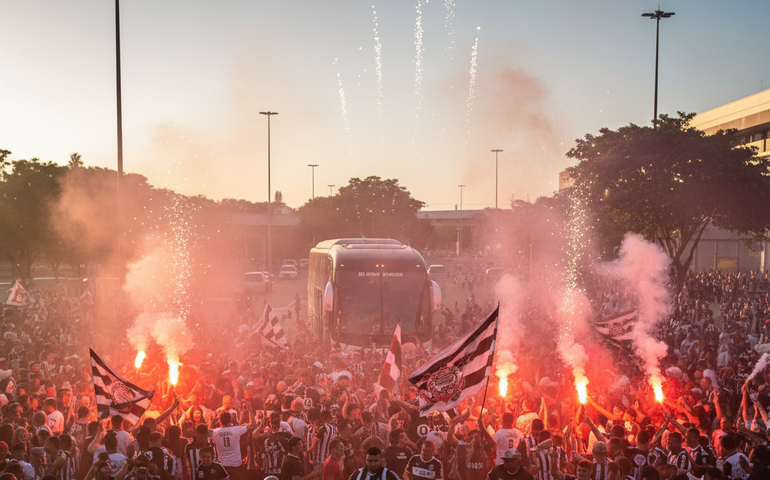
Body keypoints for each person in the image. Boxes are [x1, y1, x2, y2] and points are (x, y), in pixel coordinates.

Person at [212, 411, 257, 480]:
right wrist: (250, 410)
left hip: (223, 466)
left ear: (220, 421)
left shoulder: (215, 432)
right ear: (230, 420)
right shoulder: (236, 429)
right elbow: (251, 425)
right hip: (236, 466)